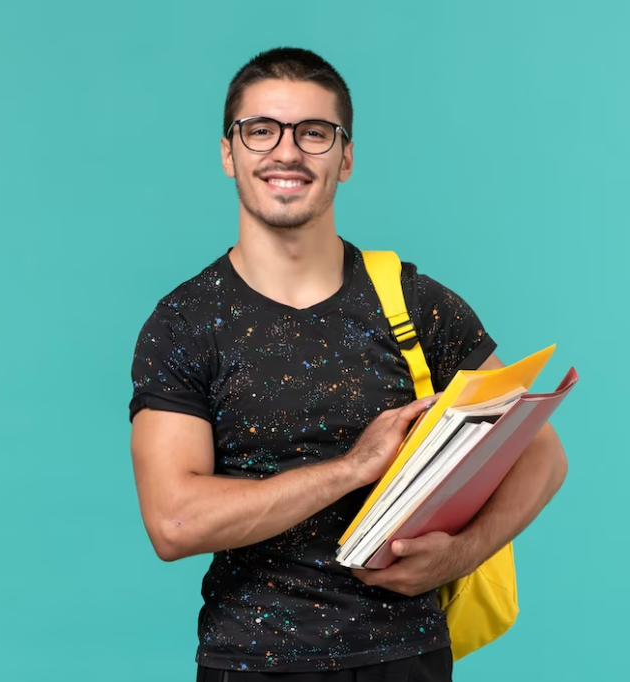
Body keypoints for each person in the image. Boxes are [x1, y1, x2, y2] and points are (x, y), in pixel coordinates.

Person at [127, 46, 568, 682]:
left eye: (314, 133)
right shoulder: (185, 323)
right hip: (252, 663)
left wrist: (462, 554)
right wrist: (354, 468)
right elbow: (174, 521)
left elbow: (544, 456)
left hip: (407, 659)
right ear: (229, 153)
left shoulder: (414, 303)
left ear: (346, 157)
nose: (287, 153)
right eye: (261, 130)